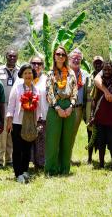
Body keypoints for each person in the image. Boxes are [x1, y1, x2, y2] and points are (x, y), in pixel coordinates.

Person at [7, 64, 42, 183]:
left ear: (33, 75)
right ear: (22, 74)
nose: (28, 75)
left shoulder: (36, 89)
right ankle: (18, 173)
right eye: (26, 73)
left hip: (31, 123)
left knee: (28, 148)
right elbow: (11, 105)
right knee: (18, 148)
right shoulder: (17, 88)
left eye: (30, 73)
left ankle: (25, 170)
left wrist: (37, 122)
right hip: (17, 122)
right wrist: (9, 120)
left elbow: (39, 108)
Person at [45, 47, 78, 175]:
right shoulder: (50, 73)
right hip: (55, 107)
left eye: (63, 54)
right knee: (53, 140)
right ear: (54, 56)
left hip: (69, 106)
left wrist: (71, 106)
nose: (60, 56)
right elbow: (49, 92)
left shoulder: (71, 73)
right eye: (58, 54)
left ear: (66, 57)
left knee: (67, 140)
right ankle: (51, 170)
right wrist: (57, 107)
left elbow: (75, 91)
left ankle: (64, 169)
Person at [90, 61, 112, 168]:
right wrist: (92, 115)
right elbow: (94, 100)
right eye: (105, 69)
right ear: (102, 70)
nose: (107, 72)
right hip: (100, 118)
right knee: (101, 142)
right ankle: (101, 163)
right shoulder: (99, 85)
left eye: (109, 69)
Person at [0, 48, 20, 168]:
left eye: (14, 56)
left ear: (17, 58)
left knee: (12, 134)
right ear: (6, 57)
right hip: (2, 106)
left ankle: (9, 160)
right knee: (2, 134)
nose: (12, 58)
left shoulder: (20, 71)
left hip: (16, 106)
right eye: (10, 56)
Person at [69, 49, 90, 162]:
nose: (76, 60)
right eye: (74, 58)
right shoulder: (64, 72)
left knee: (73, 134)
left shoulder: (85, 74)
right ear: (69, 59)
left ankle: (68, 156)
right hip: (66, 108)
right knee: (64, 133)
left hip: (79, 108)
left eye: (79, 58)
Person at [30, 56, 48, 169]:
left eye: (39, 64)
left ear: (42, 66)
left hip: (43, 114)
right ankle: (31, 161)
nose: (36, 66)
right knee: (29, 138)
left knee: (41, 139)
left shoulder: (46, 79)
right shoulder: (26, 77)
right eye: (34, 63)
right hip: (27, 116)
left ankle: (41, 163)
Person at [85, 56, 104, 163]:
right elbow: (84, 96)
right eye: (95, 63)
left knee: (101, 133)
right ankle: (89, 158)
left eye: (99, 63)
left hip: (102, 109)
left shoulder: (106, 76)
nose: (97, 65)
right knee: (90, 133)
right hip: (89, 109)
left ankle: (101, 158)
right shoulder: (88, 78)